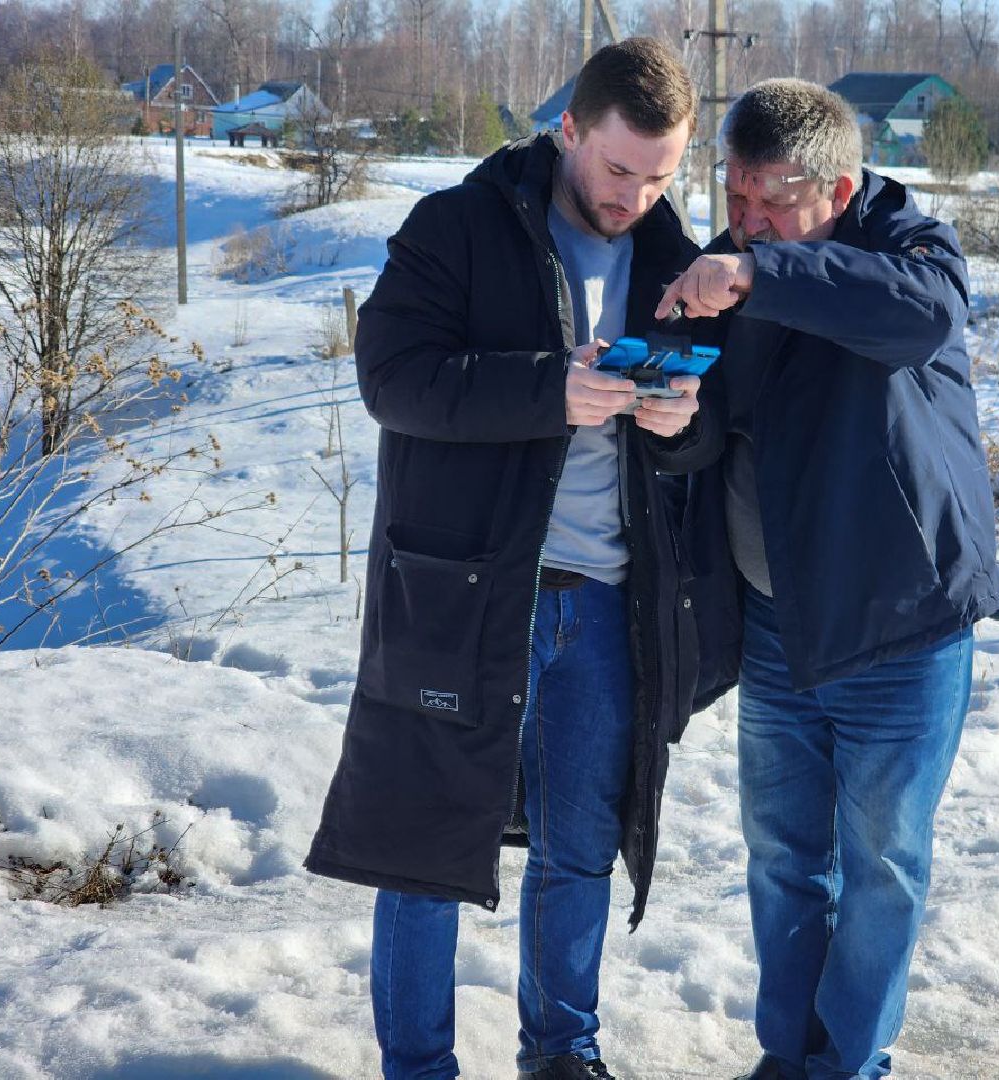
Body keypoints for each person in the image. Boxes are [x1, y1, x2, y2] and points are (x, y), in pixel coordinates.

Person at [305, 38, 710, 1080]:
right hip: (470, 597)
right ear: (568, 130)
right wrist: (547, 392)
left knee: (581, 851)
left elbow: (715, 437)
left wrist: (683, 424)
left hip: (608, 603)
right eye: (620, 170)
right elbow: (394, 379)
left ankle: (563, 1054)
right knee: (427, 854)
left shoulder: (674, 258)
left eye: (662, 176)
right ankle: (419, 1066)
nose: (637, 196)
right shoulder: (456, 225)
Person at [653, 79, 999, 1080]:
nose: (746, 222)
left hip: (901, 626)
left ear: (840, 186)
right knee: (780, 861)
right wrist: (673, 424)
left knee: (883, 869)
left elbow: (916, 317)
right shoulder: (732, 267)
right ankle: (789, 1057)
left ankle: (849, 1064)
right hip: (777, 627)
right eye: (733, 197)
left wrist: (760, 272)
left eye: (771, 201)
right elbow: (716, 427)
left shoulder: (910, 248)